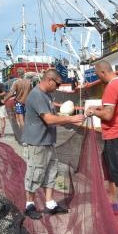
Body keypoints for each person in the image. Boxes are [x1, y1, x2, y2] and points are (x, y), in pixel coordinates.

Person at [22, 69, 85, 219]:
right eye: (57, 84)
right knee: (35, 173)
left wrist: (65, 118)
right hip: (36, 142)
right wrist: (72, 119)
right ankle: (29, 205)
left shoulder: (47, 95)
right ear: (49, 80)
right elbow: (49, 119)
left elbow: (54, 117)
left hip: (48, 141)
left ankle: (50, 204)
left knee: (51, 172)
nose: (57, 87)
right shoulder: (37, 95)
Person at [86, 60, 118, 211]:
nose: (98, 79)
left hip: (116, 132)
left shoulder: (111, 88)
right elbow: (115, 106)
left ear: (102, 73)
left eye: (97, 75)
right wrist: (100, 107)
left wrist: (94, 112)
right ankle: (113, 199)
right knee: (108, 164)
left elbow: (107, 115)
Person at [5, 68, 32, 134]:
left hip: (19, 102)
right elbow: (31, 92)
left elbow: (11, 93)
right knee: (26, 118)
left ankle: (23, 133)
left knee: (21, 118)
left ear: (18, 74)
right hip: (27, 102)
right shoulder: (29, 82)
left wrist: (4, 99)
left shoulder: (16, 82)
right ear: (24, 73)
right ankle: (28, 132)